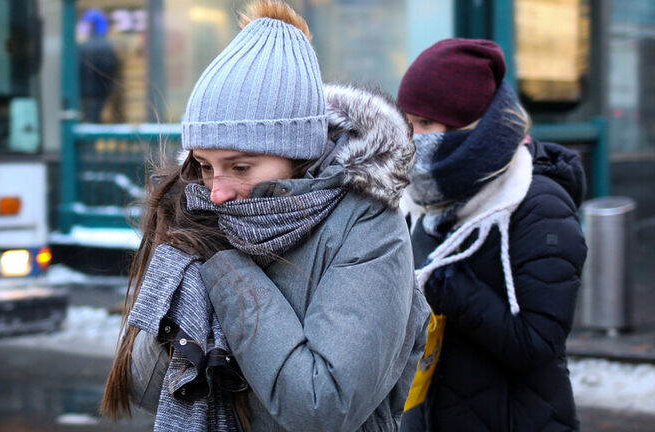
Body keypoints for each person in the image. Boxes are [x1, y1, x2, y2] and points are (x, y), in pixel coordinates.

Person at [101, 1, 430, 431]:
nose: (216, 191)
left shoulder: (366, 226)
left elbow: (320, 407)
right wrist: (183, 265)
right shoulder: (208, 214)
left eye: (240, 167)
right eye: (204, 165)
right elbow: (144, 387)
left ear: (299, 153)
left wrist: (225, 270)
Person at [397, 38, 588, 431]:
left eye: (426, 124)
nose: (412, 138)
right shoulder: (421, 201)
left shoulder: (538, 205)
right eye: (407, 122)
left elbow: (538, 342)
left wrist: (448, 287)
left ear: (471, 127)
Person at [78, 8, 119, 123]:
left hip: (88, 95)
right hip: (99, 94)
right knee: (91, 121)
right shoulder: (106, 46)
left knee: (88, 123)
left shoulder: (86, 47)